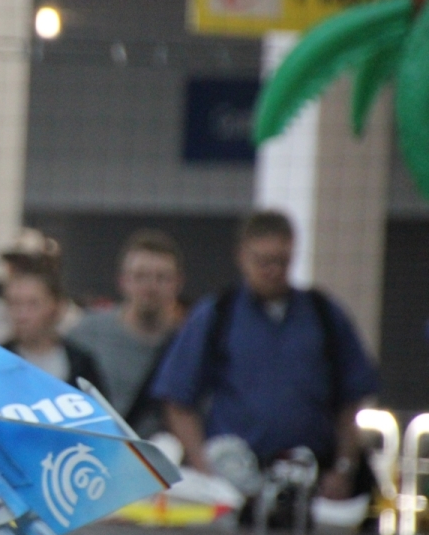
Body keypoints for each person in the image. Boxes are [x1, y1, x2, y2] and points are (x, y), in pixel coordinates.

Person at [151, 210, 379, 499]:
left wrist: (344, 467)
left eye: (281, 261)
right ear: (242, 257)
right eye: (262, 261)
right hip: (235, 475)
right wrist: (206, 471)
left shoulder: (323, 315)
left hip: (310, 477)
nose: (272, 271)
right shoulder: (217, 315)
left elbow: (352, 399)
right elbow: (177, 399)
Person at [69, 229, 185, 436]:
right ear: (123, 281)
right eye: (140, 276)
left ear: (178, 283)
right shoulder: (87, 333)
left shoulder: (189, 342)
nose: (150, 287)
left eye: (162, 278)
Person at [1, 254, 107, 393]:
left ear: (57, 307)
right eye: (14, 303)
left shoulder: (81, 363)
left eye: (33, 304)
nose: (22, 315)